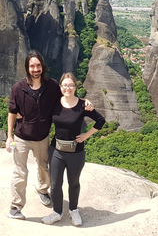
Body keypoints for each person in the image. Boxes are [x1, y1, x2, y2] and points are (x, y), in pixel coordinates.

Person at [6, 51, 92, 220]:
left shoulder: (52, 85)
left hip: (42, 137)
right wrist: (9, 136)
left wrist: (84, 102)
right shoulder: (18, 88)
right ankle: (16, 207)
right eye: (32, 66)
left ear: (42, 67)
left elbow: (68, 97)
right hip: (22, 137)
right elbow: (11, 112)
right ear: (27, 68)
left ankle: (42, 190)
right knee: (19, 172)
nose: (35, 69)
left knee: (44, 167)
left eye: (38, 65)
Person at [41, 72, 105, 226]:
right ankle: (57, 212)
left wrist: (86, 135)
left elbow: (100, 121)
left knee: (73, 182)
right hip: (56, 150)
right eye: (65, 85)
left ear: (75, 87)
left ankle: (73, 210)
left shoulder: (83, 105)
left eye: (71, 85)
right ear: (60, 87)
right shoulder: (55, 102)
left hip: (76, 152)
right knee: (55, 184)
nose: (67, 88)